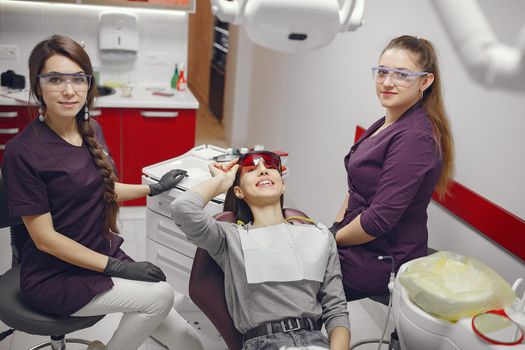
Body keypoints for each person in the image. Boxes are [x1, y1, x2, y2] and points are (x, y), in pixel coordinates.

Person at [1, 34, 204, 350]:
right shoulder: (22, 152)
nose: (69, 91)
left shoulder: (91, 130)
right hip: (55, 275)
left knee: (188, 341)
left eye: (78, 79)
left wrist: (152, 187)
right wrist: (120, 269)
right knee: (161, 295)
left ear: (88, 83)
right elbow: (45, 239)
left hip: (99, 254)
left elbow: (100, 190)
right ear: (37, 85)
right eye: (56, 79)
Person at [171, 150, 351, 350]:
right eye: (251, 170)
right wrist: (223, 181)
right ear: (239, 191)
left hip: (316, 342)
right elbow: (182, 208)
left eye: (270, 168)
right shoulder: (230, 238)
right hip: (264, 344)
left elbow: (336, 310)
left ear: (283, 185)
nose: (263, 170)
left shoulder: (320, 237)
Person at [331, 35, 454, 300]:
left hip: (380, 258)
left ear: (426, 81)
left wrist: (331, 240)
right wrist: (334, 227)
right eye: (383, 72)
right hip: (355, 243)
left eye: (401, 75)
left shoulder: (415, 137)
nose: (387, 82)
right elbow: (356, 187)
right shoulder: (389, 120)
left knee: (294, 296)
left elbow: (379, 220)